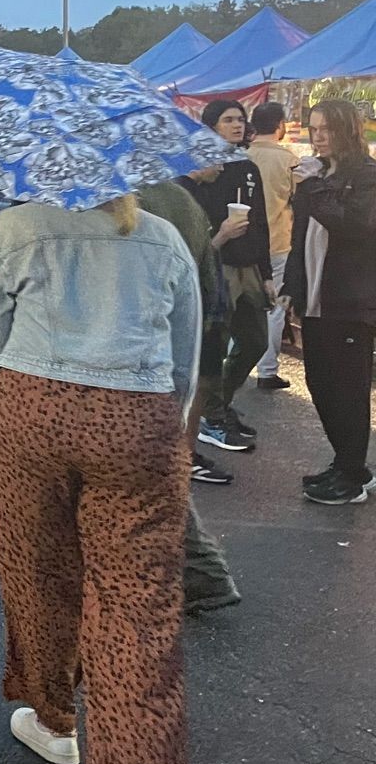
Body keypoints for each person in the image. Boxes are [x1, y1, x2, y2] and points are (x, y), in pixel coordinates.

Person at [0, 192, 200, 764]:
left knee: (36, 570)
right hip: (136, 417)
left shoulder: (16, 227)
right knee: (137, 595)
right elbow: (185, 356)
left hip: (32, 408)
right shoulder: (161, 238)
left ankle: (52, 720)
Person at [135, 177, 244, 612]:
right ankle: (202, 573)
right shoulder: (178, 199)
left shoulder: (136, 209)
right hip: (165, 358)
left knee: (147, 475)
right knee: (153, 474)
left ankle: (200, 573)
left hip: (133, 364)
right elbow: (202, 286)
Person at [285, 97, 376, 506]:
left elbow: (352, 224)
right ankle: (347, 463)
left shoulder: (367, 175)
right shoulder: (318, 172)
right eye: (313, 128)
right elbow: (300, 232)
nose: (318, 137)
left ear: (346, 130)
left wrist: (311, 186)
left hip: (350, 300)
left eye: (326, 129)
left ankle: (352, 473)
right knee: (320, 383)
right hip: (315, 296)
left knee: (348, 390)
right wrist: (291, 285)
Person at [185, 100, 271, 456]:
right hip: (218, 266)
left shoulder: (248, 167)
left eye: (240, 119)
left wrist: (266, 273)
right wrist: (220, 235)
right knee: (215, 344)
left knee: (255, 341)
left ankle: (218, 402)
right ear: (211, 126)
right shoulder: (199, 168)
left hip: (249, 265)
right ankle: (212, 414)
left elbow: (262, 222)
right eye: (228, 120)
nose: (237, 125)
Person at [245, 102, 298, 390]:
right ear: (280, 125)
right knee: (275, 308)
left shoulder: (243, 155)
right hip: (278, 242)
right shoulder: (289, 160)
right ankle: (267, 371)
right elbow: (299, 199)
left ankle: (238, 365)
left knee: (244, 305)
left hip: (245, 243)